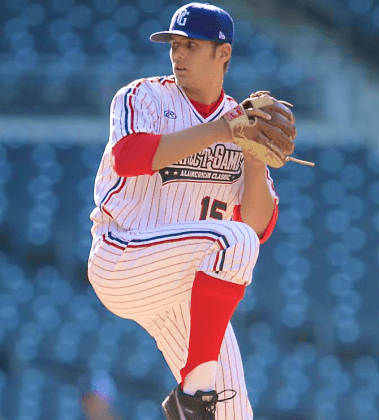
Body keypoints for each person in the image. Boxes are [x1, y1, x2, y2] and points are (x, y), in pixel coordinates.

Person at [87, 3, 290, 419]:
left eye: (191, 46)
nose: (178, 55)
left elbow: (258, 226)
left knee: (236, 413)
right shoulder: (142, 96)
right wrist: (223, 129)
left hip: (182, 288)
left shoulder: (241, 122)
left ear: (224, 55)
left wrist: (253, 158)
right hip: (123, 258)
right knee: (231, 240)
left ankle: (196, 399)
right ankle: (191, 398)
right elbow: (128, 157)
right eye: (174, 45)